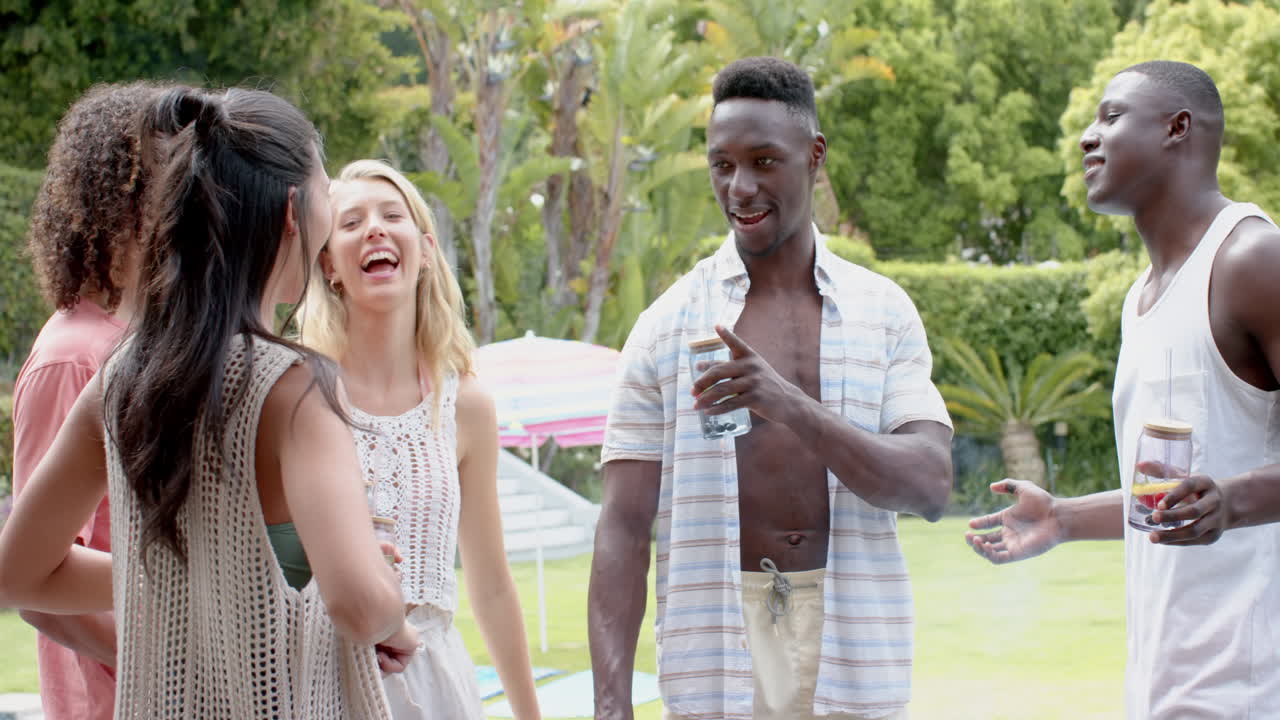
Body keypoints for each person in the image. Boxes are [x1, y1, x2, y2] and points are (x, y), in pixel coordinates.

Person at [0, 87, 417, 718]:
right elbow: (359, 606)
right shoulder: (298, 388)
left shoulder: (118, 379)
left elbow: (19, 574)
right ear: (291, 213)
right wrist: (386, 596)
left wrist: (198, 565)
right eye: (327, 191)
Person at [589, 57, 954, 720]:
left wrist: (786, 403)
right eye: (721, 165)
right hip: (719, 646)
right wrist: (611, 705)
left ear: (814, 156)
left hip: (855, 641)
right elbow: (623, 528)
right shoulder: (666, 326)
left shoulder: (883, 312)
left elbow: (929, 486)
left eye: (763, 161)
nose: (741, 187)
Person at [966, 60, 1280, 718]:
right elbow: (1166, 494)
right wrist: (1064, 518)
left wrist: (1233, 500)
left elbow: (1219, 494)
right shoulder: (1142, 297)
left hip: (1252, 688)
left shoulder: (1253, 260)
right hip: (1166, 685)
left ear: (1177, 128)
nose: (1087, 136)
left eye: (1111, 117)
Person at [298, 159, 541, 719]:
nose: (375, 229)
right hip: (317, 675)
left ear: (425, 250)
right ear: (329, 265)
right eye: (351, 221)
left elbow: (492, 586)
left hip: (433, 685)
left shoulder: (467, 405)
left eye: (391, 214)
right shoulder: (299, 395)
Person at [11, 80, 166, 720]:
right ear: (126, 189)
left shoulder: (146, 340)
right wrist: (157, 662)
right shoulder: (72, 357)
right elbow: (37, 585)